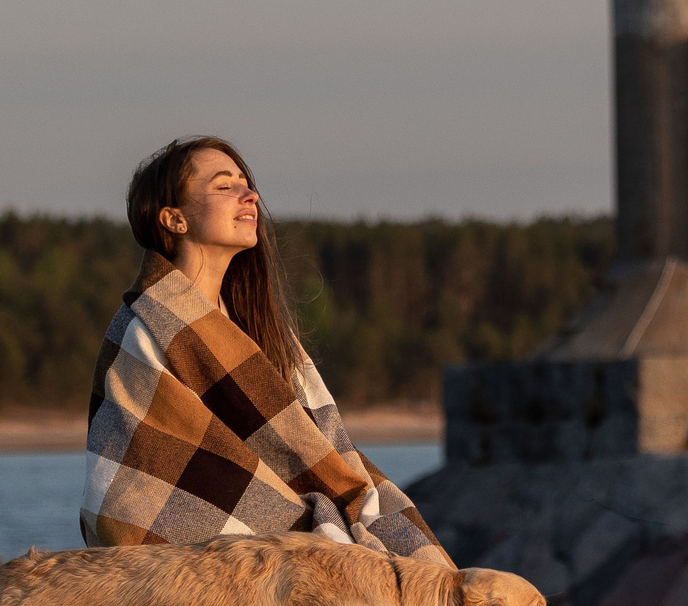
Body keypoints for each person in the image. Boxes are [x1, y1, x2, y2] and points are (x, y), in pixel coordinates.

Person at [79, 135, 451, 566]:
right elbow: (129, 498)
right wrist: (301, 532)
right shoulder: (141, 332)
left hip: (292, 536)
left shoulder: (261, 330)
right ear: (173, 219)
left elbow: (321, 448)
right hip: (212, 564)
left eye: (246, 182)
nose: (249, 194)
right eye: (224, 186)